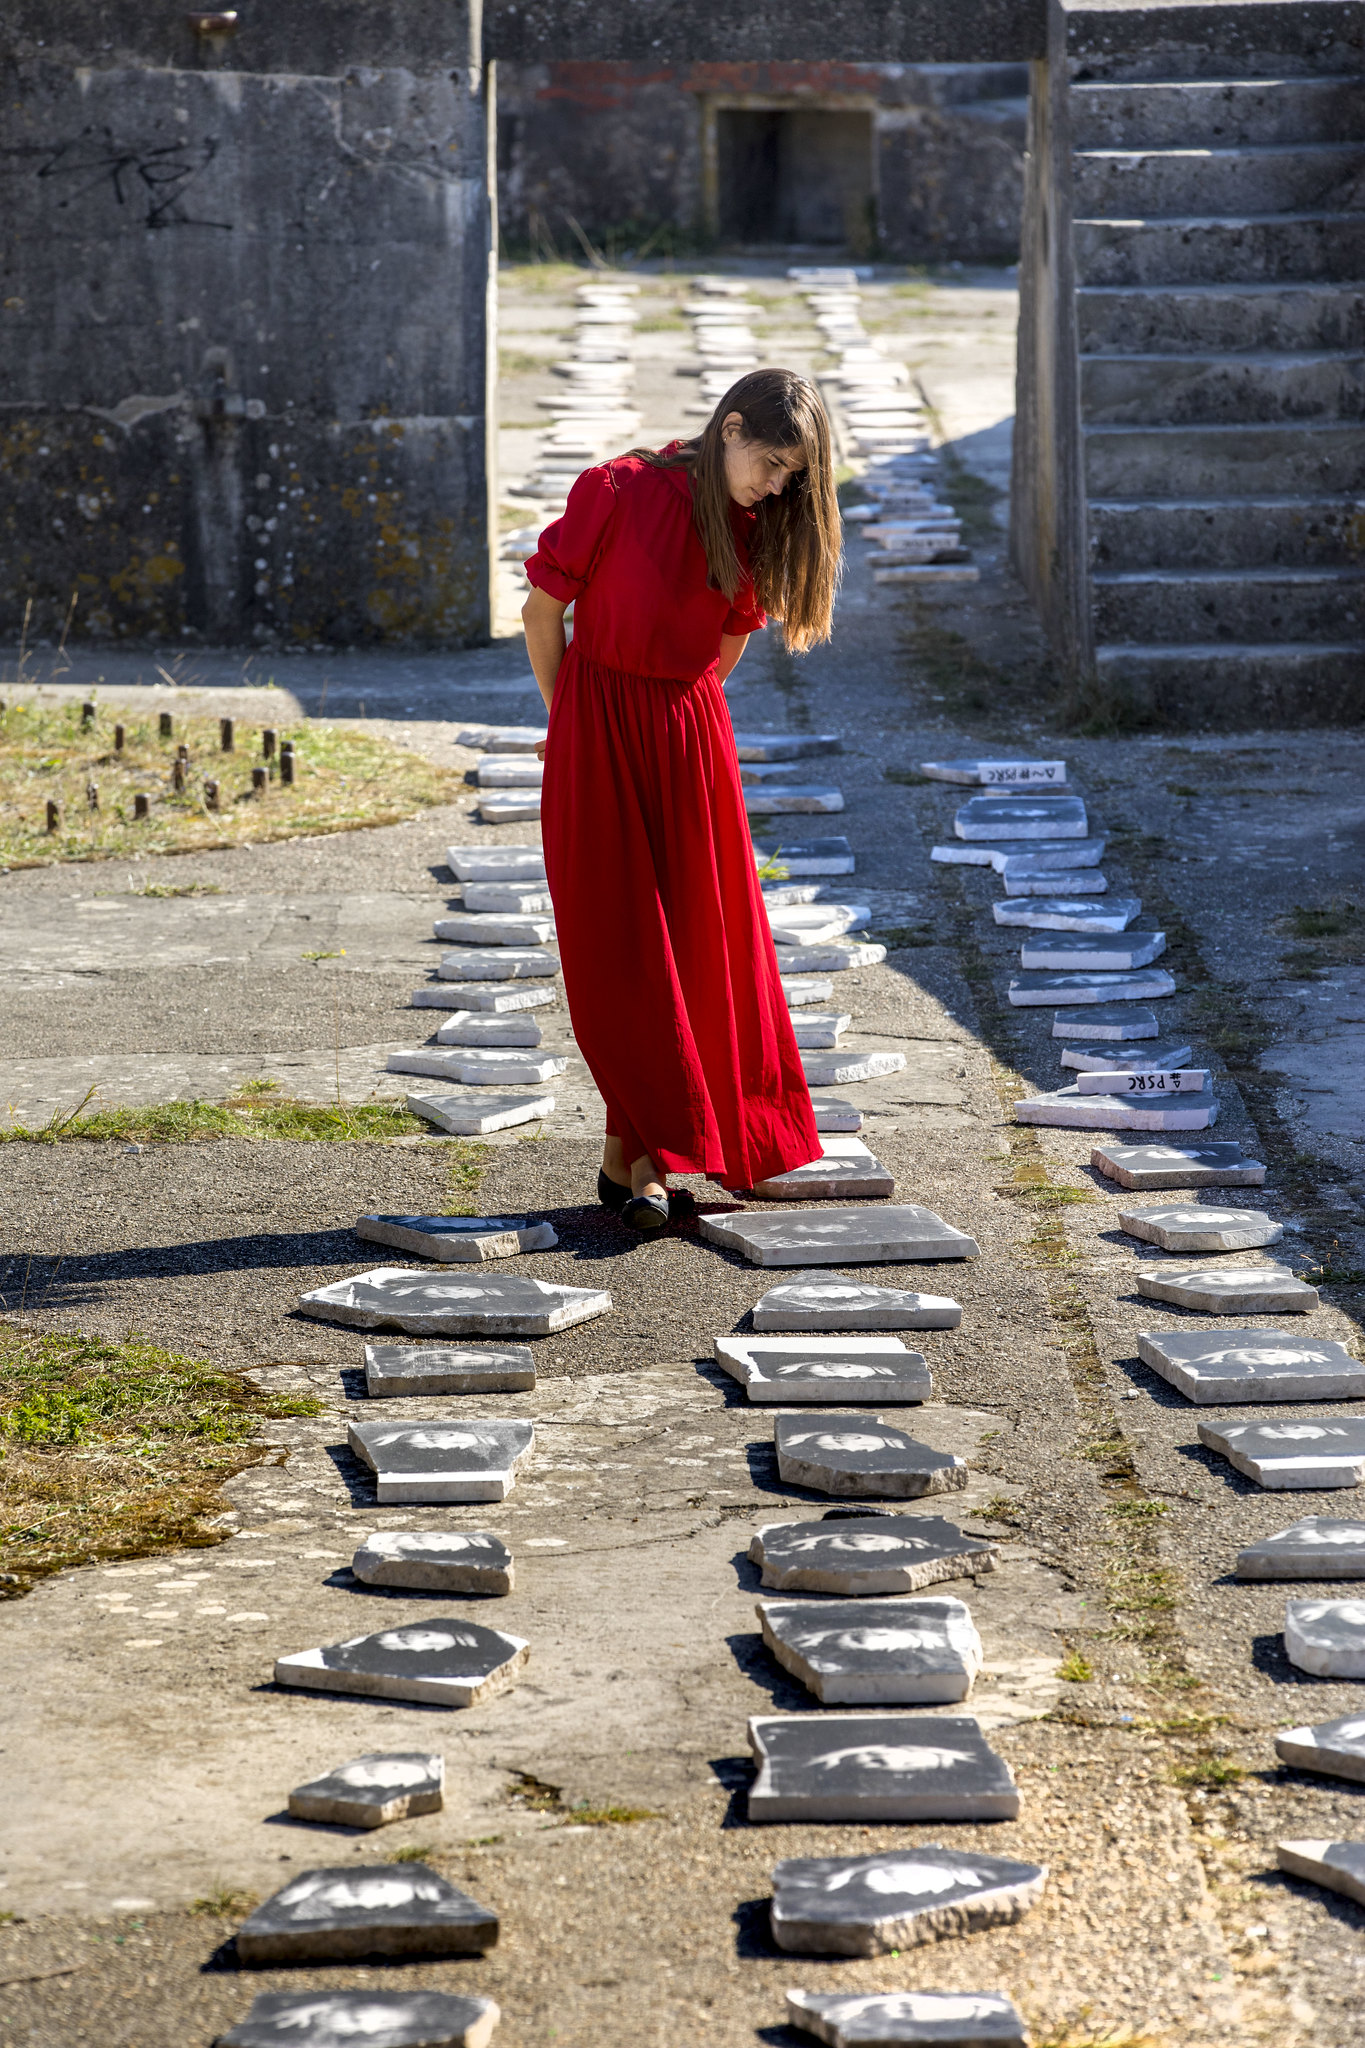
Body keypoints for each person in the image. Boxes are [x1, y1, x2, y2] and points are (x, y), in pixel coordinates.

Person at [521, 367, 842, 1233]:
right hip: (596, 734)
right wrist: (575, 728)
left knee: (698, 949)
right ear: (728, 427)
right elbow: (541, 615)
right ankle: (644, 1158)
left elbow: (724, 651)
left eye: (790, 477)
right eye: (770, 463)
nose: (774, 486)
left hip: (689, 743)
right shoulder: (614, 490)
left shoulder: (753, 526)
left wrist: (673, 713)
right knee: (614, 954)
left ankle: (640, 1162)